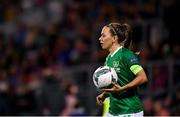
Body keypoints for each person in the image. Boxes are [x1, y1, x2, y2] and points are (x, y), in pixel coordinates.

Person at [96, 22, 148, 117]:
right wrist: (104, 94)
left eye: (103, 36)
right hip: (113, 111)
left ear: (114, 38)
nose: (100, 39)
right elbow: (116, 85)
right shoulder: (108, 58)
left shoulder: (126, 55)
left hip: (129, 111)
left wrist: (123, 88)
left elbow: (143, 77)